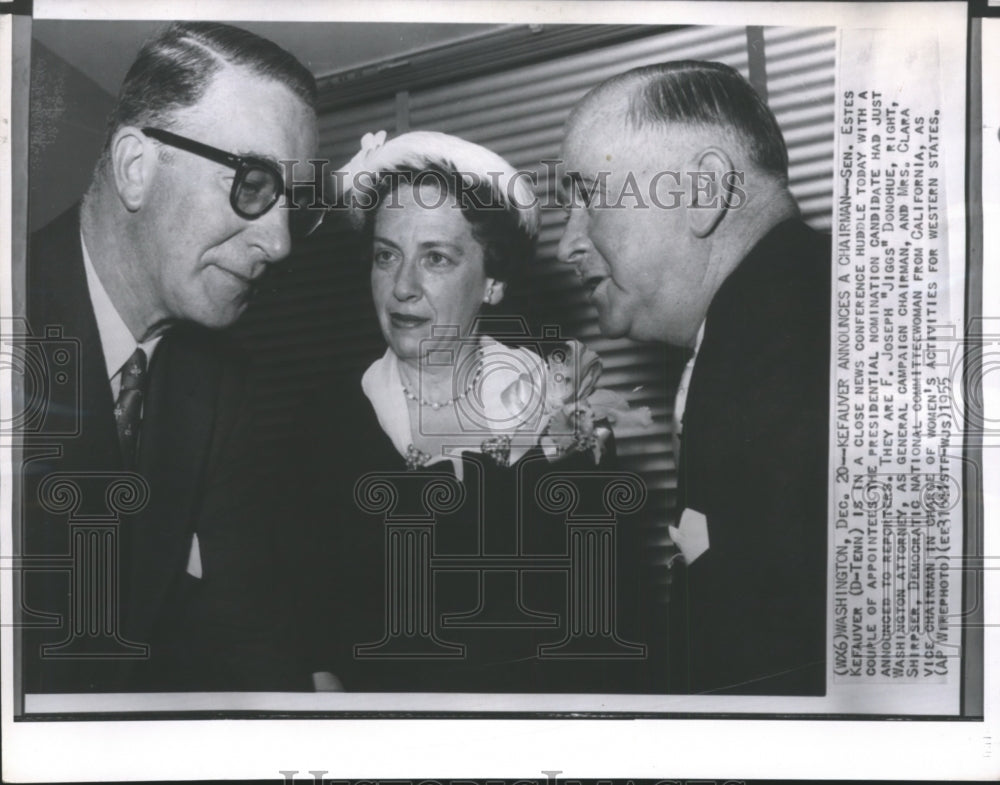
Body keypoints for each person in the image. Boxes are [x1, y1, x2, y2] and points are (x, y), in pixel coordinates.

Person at [289, 131, 651, 692]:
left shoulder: (565, 412)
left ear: (494, 284)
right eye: (387, 256)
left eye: (436, 257)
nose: (402, 288)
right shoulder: (320, 429)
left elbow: (618, 628)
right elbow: (310, 640)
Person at [22, 22, 321, 693]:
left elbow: (251, 623)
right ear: (136, 168)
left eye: (294, 207)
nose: (280, 243)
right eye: (252, 182)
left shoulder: (216, 382)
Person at [557, 60, 830, 695]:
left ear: (702, 192)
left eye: (589, 197)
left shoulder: (798, 347)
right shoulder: (771, 328)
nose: (566, 244)